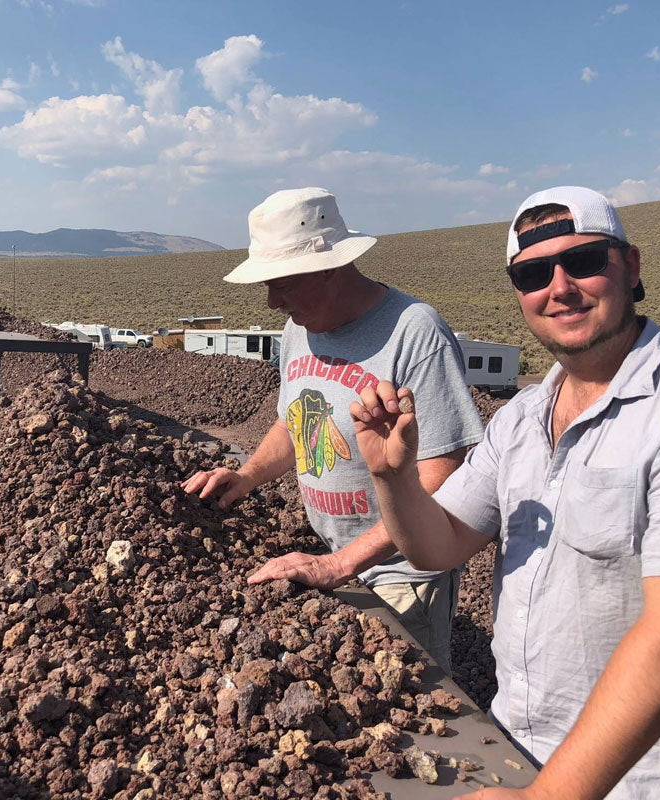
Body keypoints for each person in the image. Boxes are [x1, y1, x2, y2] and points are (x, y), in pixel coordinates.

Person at [350, 185, 660, 799]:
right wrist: (392, 476)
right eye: (533, 274)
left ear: (631, 266)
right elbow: (439, 546)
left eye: (583, 261)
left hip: (638, 780)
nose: (559, 287)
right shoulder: (521, 418)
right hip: (517, 748)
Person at [183, 187, 483, 674]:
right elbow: (294, 422)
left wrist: (342, 564)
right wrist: (247, 476)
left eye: (282, 283)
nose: (271, 301)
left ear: (328, 267)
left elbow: (443, 473)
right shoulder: (299, 328)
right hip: (333, 558)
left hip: (401, 576)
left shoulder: (414, 332)